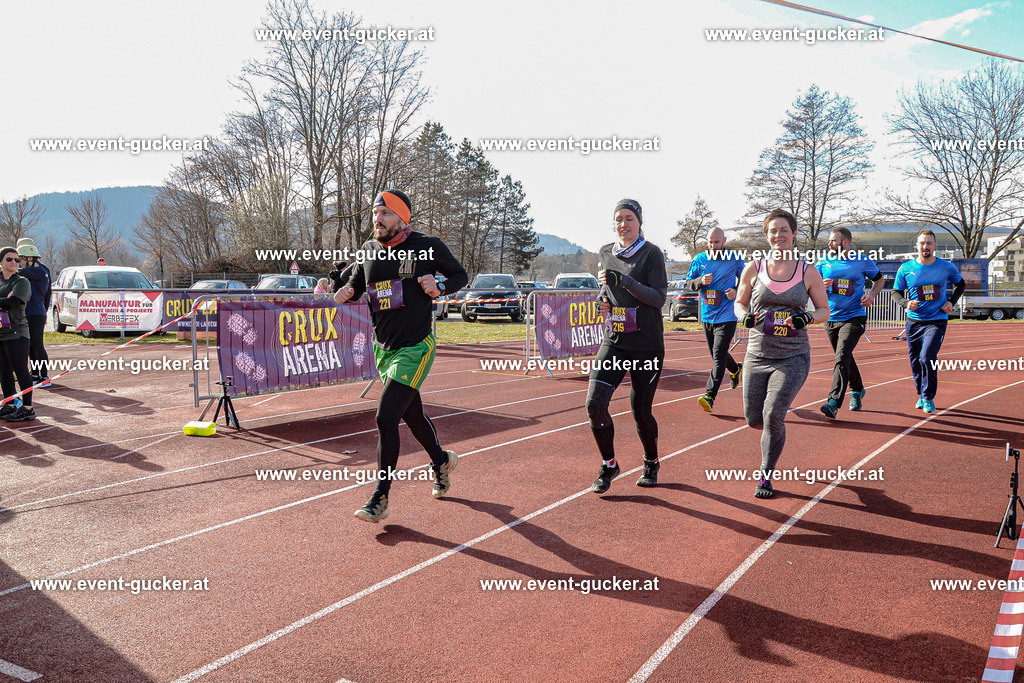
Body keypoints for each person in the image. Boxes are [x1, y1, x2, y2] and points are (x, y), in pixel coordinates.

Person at [334, 189, 468, 522]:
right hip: (384, 348)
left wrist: (439, 286)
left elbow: (460, 276)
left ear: (401, 218)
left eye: (385, 214)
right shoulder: (368, 251)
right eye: (374, 214)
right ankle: (441, 460)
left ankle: (380, 498)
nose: (377, 220)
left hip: (416, 346)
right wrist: (347, 291)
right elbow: (356, 283)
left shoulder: (427, 245)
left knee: (385, 417)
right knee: (412, 416)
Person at [735, 210, 829, 498]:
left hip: (792, 356)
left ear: (794, 234)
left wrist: (807, 318)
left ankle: (765, 474)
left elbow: (824, 310)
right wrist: (744, 316)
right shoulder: (754, 268)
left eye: (784, 230)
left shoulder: (807, 271)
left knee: (773, 413)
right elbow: (739, 302)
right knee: (754, 419)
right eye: (773, 231)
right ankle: (771, 436)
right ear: (767, 236)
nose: (779, 235)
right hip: (756, 355)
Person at [589, 198, 668, 493]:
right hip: (615, 340)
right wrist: (603, 302)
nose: (624, 224)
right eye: (619, 219)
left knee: (640, 410)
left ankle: (651, 461)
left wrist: (625, 281)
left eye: (630, 219)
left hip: (646, 344)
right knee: (594, 404)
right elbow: (605, 290)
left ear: (640, 222)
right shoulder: (605, 252)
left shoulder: (651, 254)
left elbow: (659, 299)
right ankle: (609, 465)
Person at [892, 229, 964, 414]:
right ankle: (921, 395)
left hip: (936, 320)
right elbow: (896, 292)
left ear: (935, 246)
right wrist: (906, 303)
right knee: (915, 361)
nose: (925, 246)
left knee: (927, 357)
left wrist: (951, 301)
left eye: (929, 243)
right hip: (914, 322)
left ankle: (929, 397)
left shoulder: (946, 267)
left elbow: (960, 284)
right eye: (922, 243)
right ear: (917, 246)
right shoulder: (906, 268)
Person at [815, 228, 884, 418]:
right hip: (831, 317)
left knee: (842, 356)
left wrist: (871, 294)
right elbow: (811, 286)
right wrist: (822, 285)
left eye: (833, 241)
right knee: (844, 357)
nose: (829, 244)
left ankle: (833, 402)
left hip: (854, 316)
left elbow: (879, 280)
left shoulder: (862, 260)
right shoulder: (823, 262)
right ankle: (857, 389)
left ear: (845, 243)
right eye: (829, 241)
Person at [685, 227, 746, 414]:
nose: (713, 246)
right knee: (715, 355)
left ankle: (709, 396)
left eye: (716, 242)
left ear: (724, 240)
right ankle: (735, 369)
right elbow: (688, 282)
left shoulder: (734, 259)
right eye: (710, 242)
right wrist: (700, 281)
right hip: (707, 315)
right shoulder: (700, 260)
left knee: (719, 355)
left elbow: (746, 281)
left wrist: (736, 290)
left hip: (727, 315)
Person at [0, 246, 36, 421]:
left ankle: (28, 408)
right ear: (1, 262)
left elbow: (13, 302)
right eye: (9, 259)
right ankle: (10, 404)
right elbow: (5, 302)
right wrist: (4, 300)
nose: (14, 262)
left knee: (20, 370)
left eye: (16, 259)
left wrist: (6, 301)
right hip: (1, 332)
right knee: (3, 371)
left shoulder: (22, 282)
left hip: (17, 333)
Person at [16, 238, 51, 387]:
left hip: (36, 312)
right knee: (30, 345)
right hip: (33, 311)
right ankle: (35, 374)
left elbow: (20, 271)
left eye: (21, 259)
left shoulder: (39, 271)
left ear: (30, 258)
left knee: (37, 345)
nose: (19, 262)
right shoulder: (39, 270)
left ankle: (44, 376)